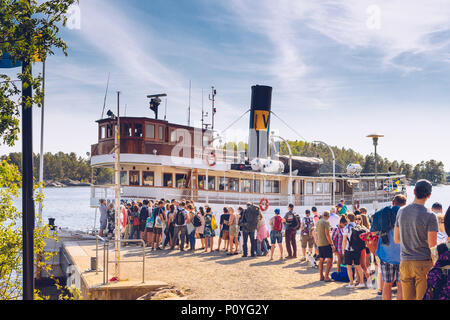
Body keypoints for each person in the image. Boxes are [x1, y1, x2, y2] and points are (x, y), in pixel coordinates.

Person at [394, 179, 438, 300]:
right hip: (423, 262)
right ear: (429, 195)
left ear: (414, 191)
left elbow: (397, 239)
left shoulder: (401, 211)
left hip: (405, 262)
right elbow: (432, 244)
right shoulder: (430, 215)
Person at [370, 194, 407, 300]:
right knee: (401, 285)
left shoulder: (380, 214)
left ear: (393, 202)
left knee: (387, 284)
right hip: (403, 255)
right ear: (405, 204)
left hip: (386, 254)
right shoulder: (406, 213)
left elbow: (373, 233)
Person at [342, 213, 367, 288]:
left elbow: (344, 240)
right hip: (357, 249)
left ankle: (351, 283)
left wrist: (343, 249)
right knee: (358, 266)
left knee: (349, 267)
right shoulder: (358, 226)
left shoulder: (347, 227)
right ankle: (362, 282)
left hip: (349, 249)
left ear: (348, 219)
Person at [315, 211, 335, 282]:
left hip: (320, 243)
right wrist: (332, 244)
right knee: (330, 259)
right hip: (326, 243)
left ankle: (321, 276)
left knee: (321, 260)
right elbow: (327, 234)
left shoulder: (318, 222)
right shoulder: (326, 222)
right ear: (328, 216)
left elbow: (316, 233)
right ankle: (326, 276)